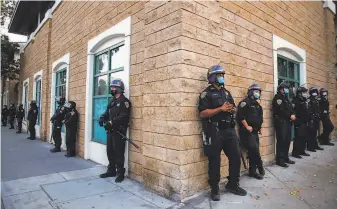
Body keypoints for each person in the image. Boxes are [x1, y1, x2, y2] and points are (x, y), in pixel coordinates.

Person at [198, 65, 247, 201]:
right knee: (215, 160)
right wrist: (220, 109)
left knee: (236, 157)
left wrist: (231, 109)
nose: (221, 77)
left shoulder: (226, 92)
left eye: (222, 75)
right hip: (215, 131)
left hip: (230, 130)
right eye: (219, 75)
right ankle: (214, 189)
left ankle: (233, 184)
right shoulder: (206, 94)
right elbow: (202, 113)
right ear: (212, 77)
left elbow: (233, 107)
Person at [98, 78, 131, 183]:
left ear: (119, 89)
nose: (111, 89)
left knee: (119, 153)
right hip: (110, 131)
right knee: (110, 151)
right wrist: (102, 118)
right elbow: (107, 111)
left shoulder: (125, 102)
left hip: (119, 132)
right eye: (111, 87)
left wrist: (112, 122)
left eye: (113, 87)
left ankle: (120, 173)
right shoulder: (112, 101)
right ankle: (111, 170)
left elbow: (124, 116)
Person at [237, 84, 265, 180]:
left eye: (259, 92)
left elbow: (259, 118)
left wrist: (260, 127)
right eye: (256, 91)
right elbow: (241, 116)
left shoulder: (258, 105)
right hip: (247, 132)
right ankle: (260, 165)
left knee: (254, 151)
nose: (258, 93)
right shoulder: (245, 103)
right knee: (254, 149)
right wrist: (247, 126)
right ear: (250, 92)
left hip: (255, 131)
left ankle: (252, 171)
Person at [272, 81, 296, 168]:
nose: (286, 90)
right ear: (280, 89)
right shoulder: (278, 98)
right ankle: (280, 160)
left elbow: (291, 108)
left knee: (287, 140)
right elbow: (281, 110)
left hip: (288, 123)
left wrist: (293, 114)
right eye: (284, 89)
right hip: (281, 123)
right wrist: (290, 115)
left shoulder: (286, 98)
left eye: (287, 89)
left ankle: (286, 158)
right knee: (281, 141)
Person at [291, 86, 311, 158]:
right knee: (298, 137)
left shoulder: (304, 100)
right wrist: (296, 119)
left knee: (304, 137)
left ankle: (302, 151)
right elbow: (293, 111)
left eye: (306, 92)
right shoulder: (295, 100)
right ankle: (295, 153)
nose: (305, 93)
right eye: (304, 92)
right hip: (299, 122)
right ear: (299, 93)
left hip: (305, 121)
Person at [307, 87, 324, 152]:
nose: (315, 93)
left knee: (315, 133)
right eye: (314, 92)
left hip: (316, 118)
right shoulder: (309, 100)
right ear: (311, 93)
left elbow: (317, 109)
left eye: (316, 92)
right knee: (311, 133)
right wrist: (311, 118)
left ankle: (315, 145)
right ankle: (310, 147)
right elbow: (308, 110)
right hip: (311, 119)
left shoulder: (316, 99)